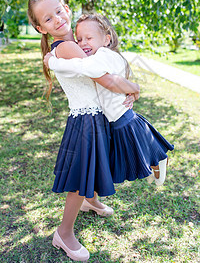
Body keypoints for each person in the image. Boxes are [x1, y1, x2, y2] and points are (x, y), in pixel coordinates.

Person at [28, 0, 140, 262]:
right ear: (39, 28)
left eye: (58, 11)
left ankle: (91, 201)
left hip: (94, 115)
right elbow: (106, 79)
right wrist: (134, 88)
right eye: (47, 18)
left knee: (96, 164)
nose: (56, 19)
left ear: (66, 7)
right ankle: (64, 233)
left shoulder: (76, 41)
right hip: (85, 120)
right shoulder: (67, 47)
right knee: (80, 177)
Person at [44, 13, 174, 188]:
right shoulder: (99, 55)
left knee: (139, 151)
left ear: (106, 39)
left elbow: (84, 67)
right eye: (79, 39)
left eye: (88, 38)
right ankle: (155, 164)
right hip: (117, 118)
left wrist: (53, 63)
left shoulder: (103, 55)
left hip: (123, 119)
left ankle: (160, 160)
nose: (82, 44)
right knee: (134, 153)